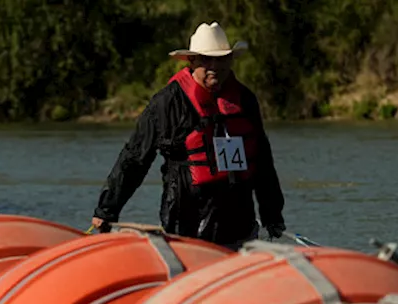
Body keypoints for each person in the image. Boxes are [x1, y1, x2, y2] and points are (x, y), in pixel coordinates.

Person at [89, 22, 286, 250]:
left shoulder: (245, 99)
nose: (215, 66)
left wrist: (272, 215)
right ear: (192, 61)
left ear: (231, 60)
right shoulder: (166, 103)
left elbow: (262, 160)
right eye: (206, 59)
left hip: (239, 224)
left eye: (222, 59)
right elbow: (135, 158)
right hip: (186, 223)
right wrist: (107, 210)